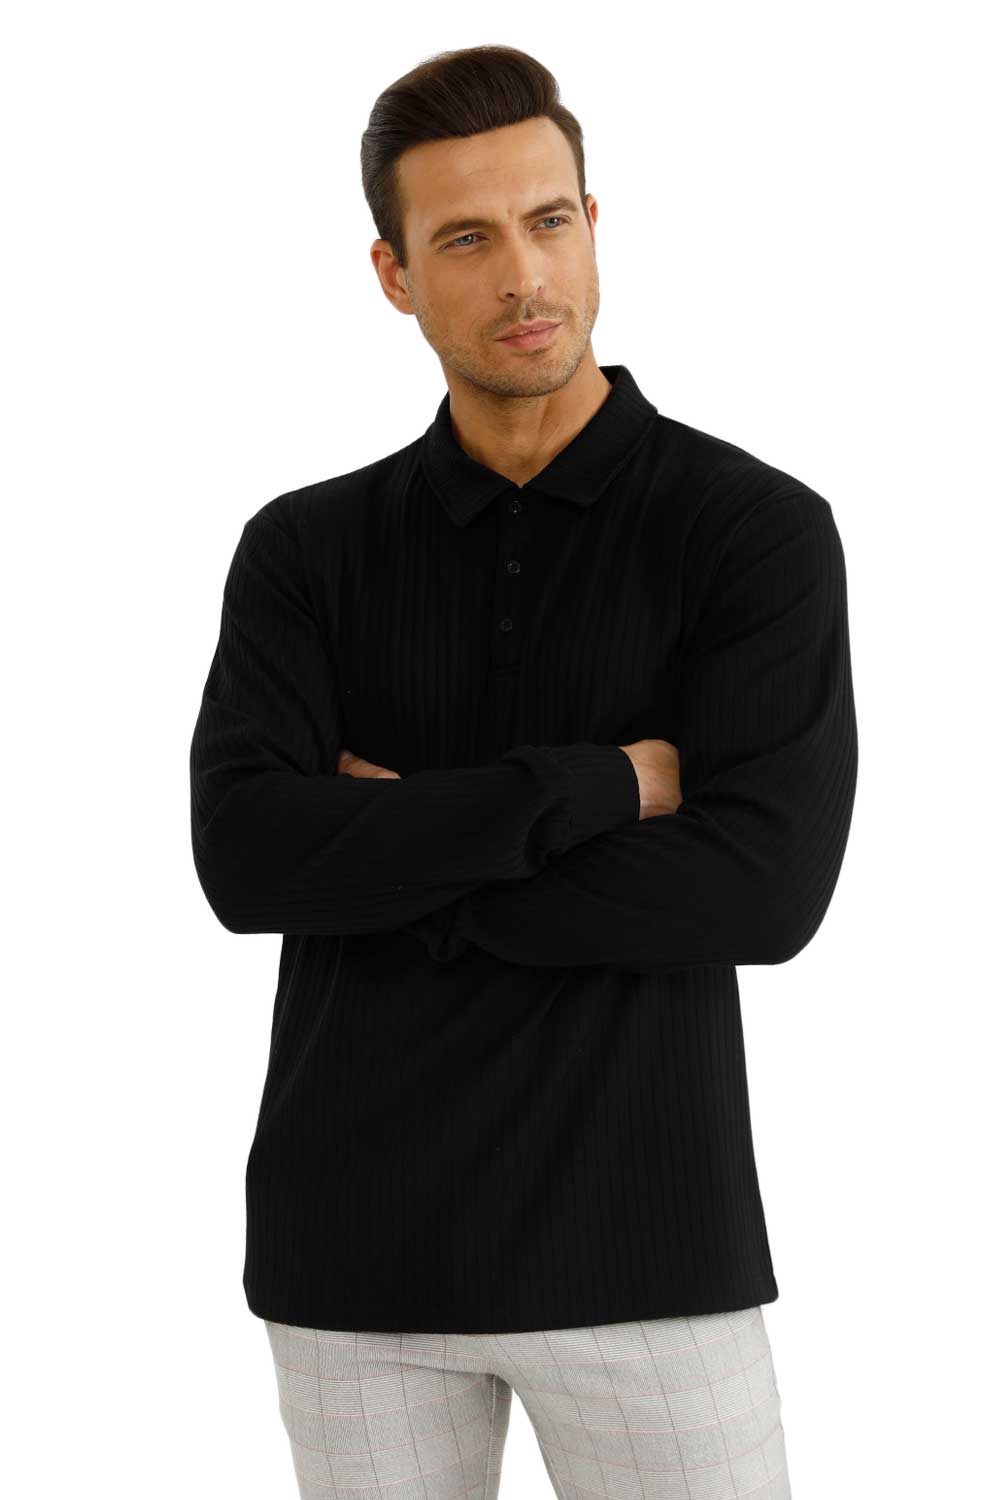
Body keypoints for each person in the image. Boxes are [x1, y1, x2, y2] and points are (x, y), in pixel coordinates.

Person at [189, 43, 858, 1500]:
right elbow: (247, 861)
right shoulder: (304, 551)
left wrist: (390, 857)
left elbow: (763, 891)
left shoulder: (753, 531)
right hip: (353, 1259)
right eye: (466, 240)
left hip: (649, 1257)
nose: (523, 275)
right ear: (393, 274)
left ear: (594, 224)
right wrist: (603, 787)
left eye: (549, 221)